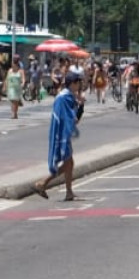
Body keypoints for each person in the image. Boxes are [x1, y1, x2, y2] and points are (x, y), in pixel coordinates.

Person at [31, 70, 84, 200]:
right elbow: (73, 120)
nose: (79, 85)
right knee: (68, 163)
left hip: (62, 133)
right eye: (78, 82)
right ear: (72, 83)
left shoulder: (67, 96)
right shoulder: (65, 98)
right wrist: (81, 107)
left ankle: (68, 192)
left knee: (69, 162)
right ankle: (43, 183)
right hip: (61, 135)